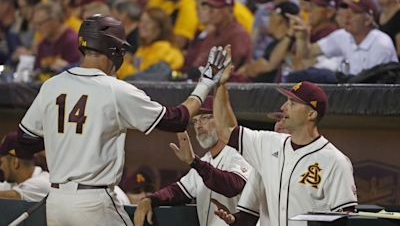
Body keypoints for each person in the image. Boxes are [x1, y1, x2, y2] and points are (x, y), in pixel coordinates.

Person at [17, 14, 230, 226]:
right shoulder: (116, 90)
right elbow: (177, 120)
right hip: (93, 202)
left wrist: (63, 144)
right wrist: (205, 84)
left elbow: (25, 140)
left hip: (56, 201)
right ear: (115, 50)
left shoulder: (52, 85)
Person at [213, 60, 358, 226]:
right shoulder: (268, 143)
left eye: (292, 103)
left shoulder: (335, 161)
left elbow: (344, 218)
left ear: (311, 114)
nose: (283, 107)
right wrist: (220, 85)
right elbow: (224, 131)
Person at [134, 96, 252, 226]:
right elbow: (178, 191)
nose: (198, 126)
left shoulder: (239, 152)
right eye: (195, 121)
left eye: (204, 118)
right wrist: (150, 200)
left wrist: (195, 162)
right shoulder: (205, 160)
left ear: (221, 119)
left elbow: (232, 186)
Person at [289, 0, 398, 79]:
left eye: (355, 12)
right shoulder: (343, 36)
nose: (347, 16)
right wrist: (302, 38)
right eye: (346, 11)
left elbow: (371, 84)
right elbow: (307, 53)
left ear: (368, 19)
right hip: (356, 93)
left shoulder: (381, 43)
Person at [213, 112, 287, 226]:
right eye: (278, 120)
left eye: (285, 118)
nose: (280, 124)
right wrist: (233, 219)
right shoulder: (264, 162)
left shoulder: (317, 157)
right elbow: (248, 215)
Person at [0, 131, 49, 201]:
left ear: (15, 162)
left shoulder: (42, 182)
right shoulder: (13, 183)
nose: (1, 167)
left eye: (1, 162)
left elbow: (12, 195)